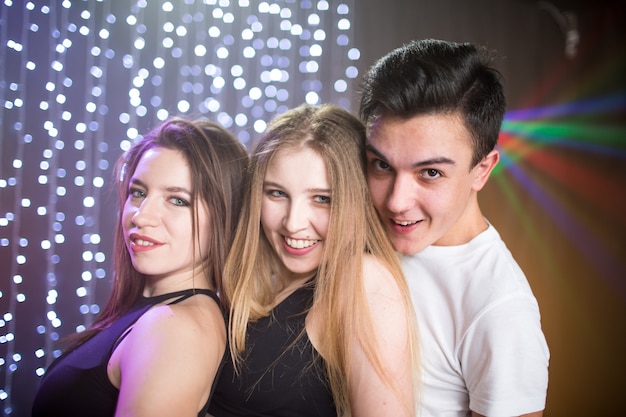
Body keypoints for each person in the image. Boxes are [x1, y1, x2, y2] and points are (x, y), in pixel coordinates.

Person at [359, 38, 550, 417]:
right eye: (382, 165)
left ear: (482, 169)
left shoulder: (500, 309)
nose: (397, 201)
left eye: (430, 173)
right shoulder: (353, 225)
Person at [208, 103, 419, 417]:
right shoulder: (239, 279)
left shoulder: (366, 281)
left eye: (322, 199)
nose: (293, 223)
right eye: (276, 193)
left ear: (354, 200)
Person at [31, 117, 248, 417]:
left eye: (178, 200)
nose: (142, 216)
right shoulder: (159, 313)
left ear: (225, 218)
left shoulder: (175, 327)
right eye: (139, 192)